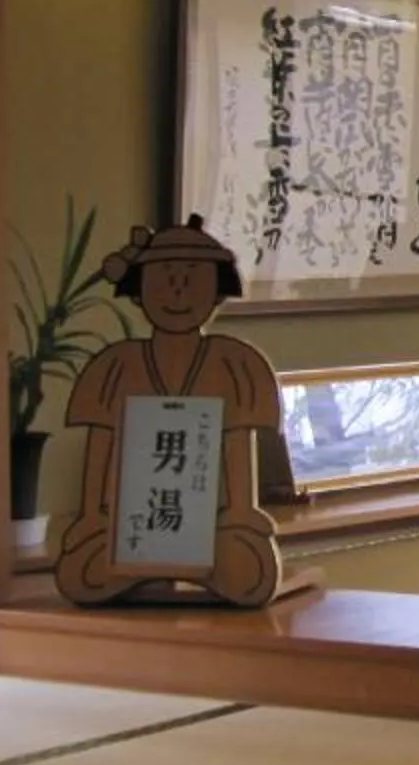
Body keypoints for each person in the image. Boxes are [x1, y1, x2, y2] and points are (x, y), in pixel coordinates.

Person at [54, 217, 284, 609]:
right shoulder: (117, 364)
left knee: (249, 570)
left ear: (217, 293)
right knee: (85, 569)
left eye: (192, 278)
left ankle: (190, 561)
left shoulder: (235, 362)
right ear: (139, 292)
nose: (177, 290)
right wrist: (92, 515)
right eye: (164, 277)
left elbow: (238, 448)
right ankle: (143, 563)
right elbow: (101, 446)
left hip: (212, 528)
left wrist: (242, 513)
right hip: (130, 527)